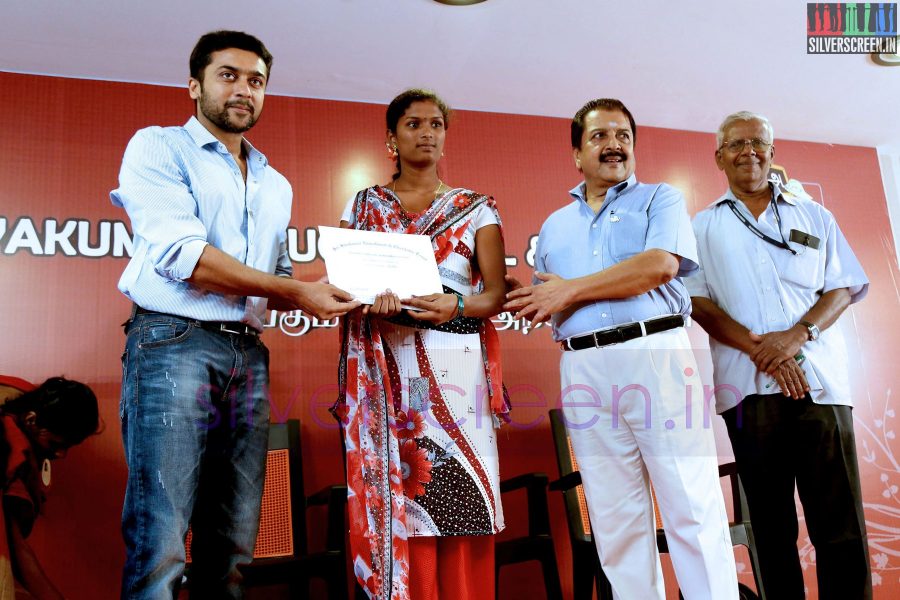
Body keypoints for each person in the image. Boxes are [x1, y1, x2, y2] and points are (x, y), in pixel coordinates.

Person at [110, 30, 359, 599]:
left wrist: (339, 292)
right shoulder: (158, 146)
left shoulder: (277, 185)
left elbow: (278, 280)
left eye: (256, 80)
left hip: (248, 355)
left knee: (235, 545)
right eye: (228, 75)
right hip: (173, 343)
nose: (243, 89)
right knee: (162, 538)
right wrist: (298, 294)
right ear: (195, 85)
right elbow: (186, 258)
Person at [505, 98, 738, 599]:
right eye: (599, 136)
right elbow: (547, 297)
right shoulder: (553, 227)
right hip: (583, 365)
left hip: (656, 356)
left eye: (623, 136)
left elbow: (658, 267)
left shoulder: (660, 199)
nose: (614, 145)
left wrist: (570, 289)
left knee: (691, 508)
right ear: (577, 153)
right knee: (614, 518)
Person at [686, 111, 872, 599]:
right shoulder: (701, 226)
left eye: (758, 142)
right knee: (770, 530)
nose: (748, 151)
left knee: (841, 526)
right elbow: (699, 303)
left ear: (772, 151)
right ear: (719, 157)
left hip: (822, 385)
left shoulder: (814, 215)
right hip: (748, 392)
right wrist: (764, 351)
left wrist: (795, 337)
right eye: (736, 144)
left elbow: (841, 287)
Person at [333, 89, 510, 600]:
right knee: (398, 499)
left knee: (456, 495)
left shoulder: (476, 208)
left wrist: (454, 306)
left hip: (454, 369)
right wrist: (371, 302)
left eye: (436, 124)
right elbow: (345, 284)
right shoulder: (364, 205)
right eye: (413, 124)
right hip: (383, 366)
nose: (426, 132)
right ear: (391, 139)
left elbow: (494, 294)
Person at [0, 375, 100, 600]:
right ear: (31, 420)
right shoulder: (9, 447)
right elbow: (13, 545)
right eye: (56, 444)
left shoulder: (14, 427)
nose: (60, 454)